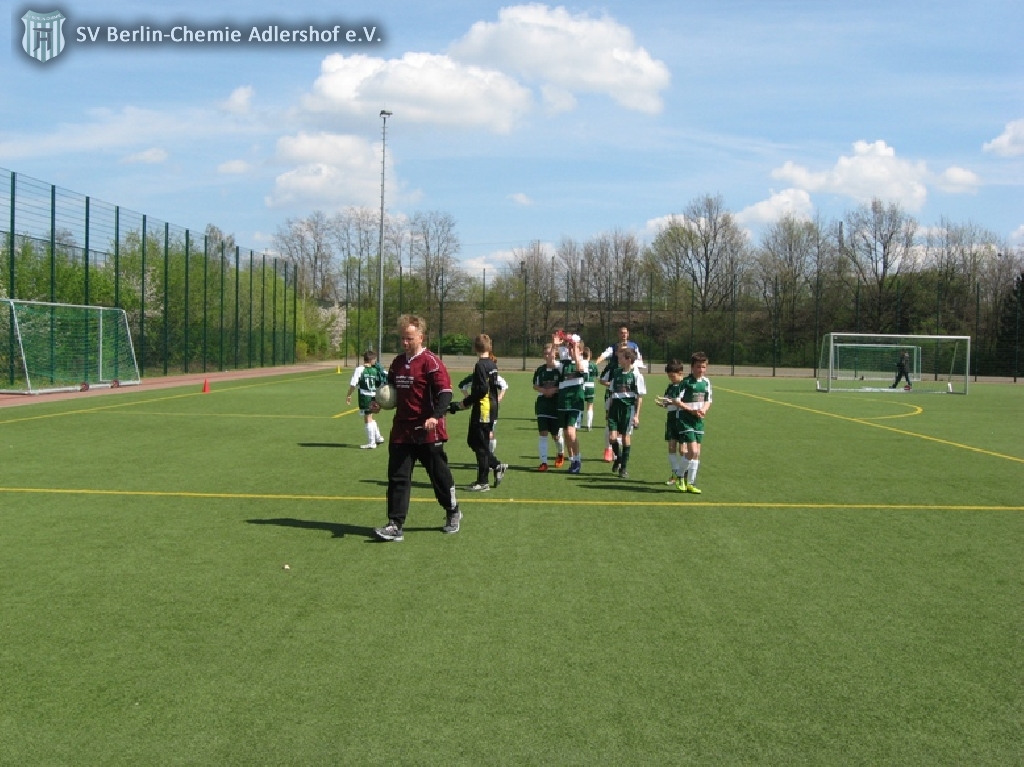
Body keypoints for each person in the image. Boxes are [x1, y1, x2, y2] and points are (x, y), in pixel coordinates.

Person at [371, 315, 461, 542]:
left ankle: (452, 510)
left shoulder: (431, 362)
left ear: (421, 337)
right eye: (402, 338)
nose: (405, 342)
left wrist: (435, 416)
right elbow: (390, 390)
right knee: (398, 478)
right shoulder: (397, 362)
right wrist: (378, 403)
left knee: (439, 476)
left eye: (409, 338)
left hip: (428, 431)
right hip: (402, 430)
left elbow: (445, 393)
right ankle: (395, 524)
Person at [450, 334, 508, 492]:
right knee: (473, 441)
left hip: (484, 408)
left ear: (475, 348)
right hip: (489, 406)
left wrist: (465, 402)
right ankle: (496, 466)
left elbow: (482, 389)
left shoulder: (480, 365)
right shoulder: (491, 364)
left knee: (480, 444)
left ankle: (484, 481)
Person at [675, 351, 712, 493]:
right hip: (685, 419)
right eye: (698, 367)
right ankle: (679, 475)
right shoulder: (686, 382)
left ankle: (691, 483)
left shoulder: (706, 382)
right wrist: (691, 410)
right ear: (692, 367)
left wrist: (704, 409)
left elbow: (708, 400)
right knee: (693, 450)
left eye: (703, 367)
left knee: (697, 453)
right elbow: (676, 400)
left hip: (698, 420)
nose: (701, 370)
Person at [606, 345, 645, 478]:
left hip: (627, 409)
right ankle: (619, 457)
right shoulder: (616, 373)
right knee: (612, 438)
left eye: (621, 357)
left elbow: (639, 397)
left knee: (625, 437)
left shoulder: (636, 375)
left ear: (628, 359)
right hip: (615, 408)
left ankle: (623, 468)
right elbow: (612, 393)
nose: (619, 359)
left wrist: (637, 415)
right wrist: (609, 409)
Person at [555, 333, 588, 474]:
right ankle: (572, 460)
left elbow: (580, 369)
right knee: (565, 433)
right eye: (569, 347)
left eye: (573, 347)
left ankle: (577, 460)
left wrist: (575, 350)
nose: (570, 349)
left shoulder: (583, 362)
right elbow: (551, 360)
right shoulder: (564, 364)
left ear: (581, 350)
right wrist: (556, 345)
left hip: (575, 402)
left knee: (570, 431)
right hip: (563, 401)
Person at [346, 350, 387, 449]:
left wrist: (349, 395)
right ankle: (378, 437)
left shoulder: (360, 369)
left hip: (365, 397)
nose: (375, 362)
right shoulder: (375, 370)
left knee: (367, 419)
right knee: (370, 417)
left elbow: (353, 384)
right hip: (374, 396)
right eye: (374, 360)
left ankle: (371, 442)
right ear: (371, 360)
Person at [532, 343, 562, 471]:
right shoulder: (540, 370)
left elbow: (565, 384)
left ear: (555, 353)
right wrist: (543, 390)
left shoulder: (560, 369)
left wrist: (554, 390)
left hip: (556, 405)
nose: (547, 355)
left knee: (556, 436)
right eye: (545, 353)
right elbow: (535, 385)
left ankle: (560, 453)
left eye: (549, 353)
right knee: (543, 433)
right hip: (542, 404)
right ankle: (543, 462)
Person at [658, 359, 688, 485]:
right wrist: (663, 404)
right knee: (671, 447)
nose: (671, 379)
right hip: (671, 419)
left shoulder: (685, 385)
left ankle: (683, 475)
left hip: (682, 419)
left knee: (683, 449)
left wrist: (672, 402)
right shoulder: (670, 387)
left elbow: (684, 403)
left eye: (673, 376)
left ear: (680, 373)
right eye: (669, 376)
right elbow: (667, 401)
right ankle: (675, 473)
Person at [582, 346, 600, 431]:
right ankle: (589, 425)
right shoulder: (593, 365)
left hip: (582, 386)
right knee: (590, 405)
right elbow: (597, 376)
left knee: (580, 405)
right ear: (590, 355)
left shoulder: (580, 363)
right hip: (590, 386)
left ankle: (578, 423)